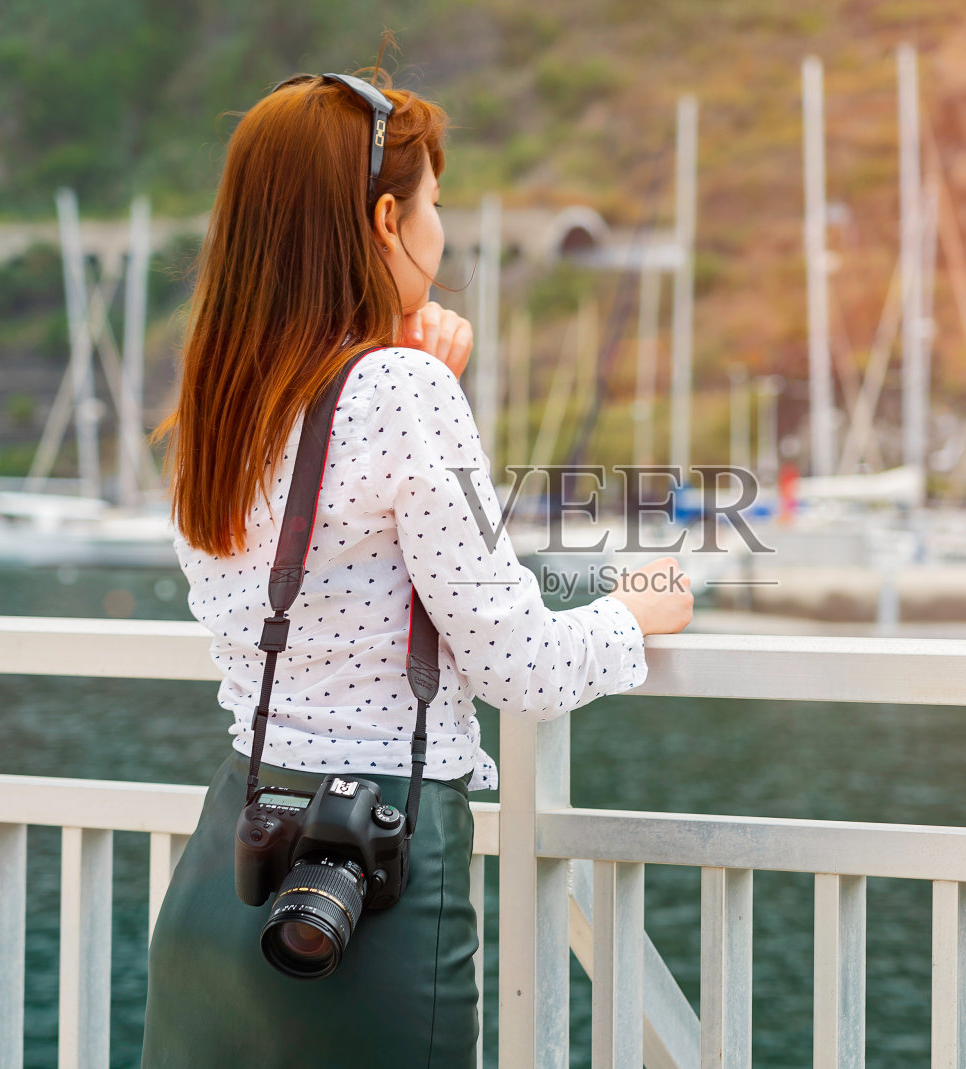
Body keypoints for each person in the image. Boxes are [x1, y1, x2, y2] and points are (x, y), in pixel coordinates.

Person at [139, 68, 693, 1067]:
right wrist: (638, 608)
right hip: (372, 883)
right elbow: (519, 665)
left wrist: (404, 349)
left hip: (231, 877)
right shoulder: (399, 389)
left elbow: (327, 532)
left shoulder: (221, 397)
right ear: (386, 217)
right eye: (435, 203)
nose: (442, 231)